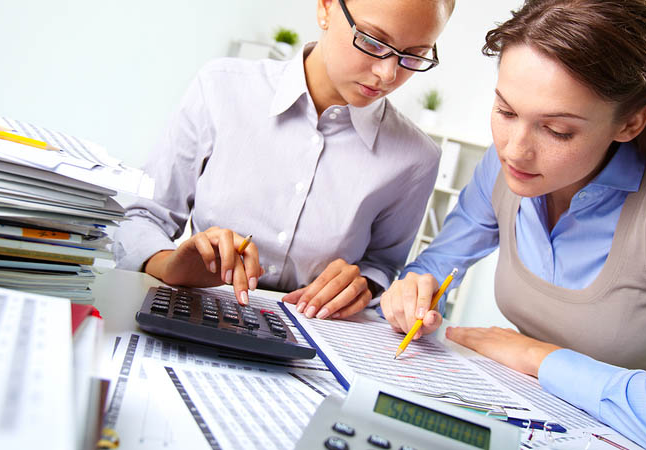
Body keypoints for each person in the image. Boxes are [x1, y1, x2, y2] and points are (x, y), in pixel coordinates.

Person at [379, 0, 646, 448]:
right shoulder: (503, 169)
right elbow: (436, 266)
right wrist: (413, 291)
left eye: (558, 131)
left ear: (631, 122)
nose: (514, 150)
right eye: (506, 112)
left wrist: (537, 356)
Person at [113, 0, 454, 318]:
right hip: (194, 312)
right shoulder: (220, 88)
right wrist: (168, 264)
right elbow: (143, 217)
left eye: (414, 56)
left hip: (314, 337)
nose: (388, 74)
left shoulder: (416, 158)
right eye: (373, 42)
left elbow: (383, 264)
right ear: (326, 8)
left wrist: (363, 284)